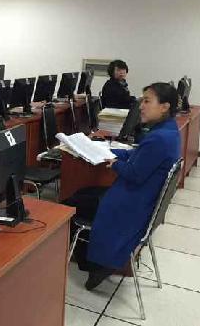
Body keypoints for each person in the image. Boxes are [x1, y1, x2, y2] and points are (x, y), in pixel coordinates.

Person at [65, 82, 181, 290]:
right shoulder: (168, 131)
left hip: (131, 204)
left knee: (70, 205)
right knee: (83, 195)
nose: (141, 106)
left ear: (164, 106)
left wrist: (115, 164)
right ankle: (93, 259)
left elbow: (134, 174)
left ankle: (95, 264)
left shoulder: (159, 138)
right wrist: (107, 150)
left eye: (147, 101)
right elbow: (138, 154)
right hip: (141, 199)